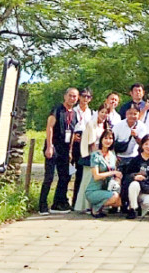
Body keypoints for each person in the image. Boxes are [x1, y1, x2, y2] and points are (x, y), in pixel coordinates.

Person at [39, 87, 79, 215]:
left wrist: (70, 150)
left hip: (65, 149)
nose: (72, 98)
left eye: (75, 96)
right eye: (71, 96)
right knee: (49, 177)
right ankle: (42, 205)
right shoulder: (57, 109)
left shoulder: (74, 114)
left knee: (65, 176)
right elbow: (49, 127)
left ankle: (58, 203)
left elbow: (72, 133)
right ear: (65, 96)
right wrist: (49, 146)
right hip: (54, 146)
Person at [73, 104, 110, 213]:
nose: (104, 115)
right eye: (102, 112)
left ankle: (96, 205)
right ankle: (84, 206)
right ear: (98, 112)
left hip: (102, 155)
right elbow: (92, 143)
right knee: (88, 180)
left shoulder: (105, 126)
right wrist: (97, 158)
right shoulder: (91, 124)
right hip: (91, 156)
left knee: (97, 182)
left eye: (106, 113)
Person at [123, 134, 149, 219]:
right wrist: (135, 177)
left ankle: (141, 210)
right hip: (134, 190)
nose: (148, 147)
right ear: (142, 146)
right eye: (146, 144)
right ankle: (132, 209)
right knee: (134, 184)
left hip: (146, 190)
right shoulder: (135, 160)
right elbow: (126, 176)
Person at [85, 129, 122, 218]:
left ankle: (99, 207)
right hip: (93, 191)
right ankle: (96, 208)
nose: (108, 141)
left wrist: (117, 177)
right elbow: (96, 176)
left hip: (107, 188)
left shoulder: (112, 155)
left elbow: (114, 172)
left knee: (118, 202)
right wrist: (112, 172)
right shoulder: (95, 155)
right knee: (114, 196)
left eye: (110, 138)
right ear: (101, 139)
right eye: (105, 138)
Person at [70, 87, 93, 210]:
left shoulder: (92, 113)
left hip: (86, 145)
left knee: (82, 173)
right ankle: (69, 201)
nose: (85, 99)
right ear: (79, 97)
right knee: (69, 173)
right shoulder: (73, 111)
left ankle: (81, 202)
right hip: (73, 144)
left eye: (88, 97)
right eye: (83, 96)